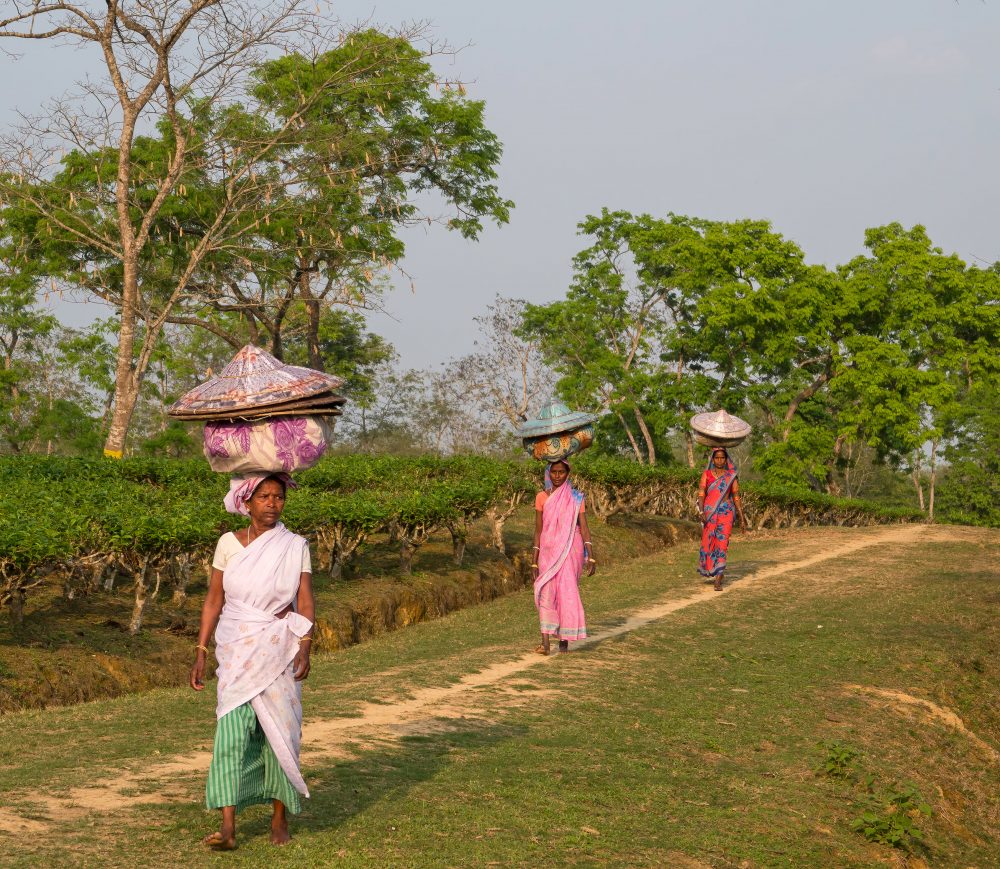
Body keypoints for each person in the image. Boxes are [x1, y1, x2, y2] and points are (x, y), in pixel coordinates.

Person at [190, 473, 315, 850]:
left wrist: (305, 643)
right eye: (264, 497)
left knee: (281, 733)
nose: (272, 503)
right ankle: (228, 827)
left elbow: (305, 598)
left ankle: (280, 817)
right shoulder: (228, 544)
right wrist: (200, 650)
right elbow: (214, 600)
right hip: (236, 648)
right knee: (231, 735)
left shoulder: (294, 546)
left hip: (279, 646)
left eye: (278, 497)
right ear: (247, 503)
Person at [531, 459, 596, 655]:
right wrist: (534, 561)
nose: (558, 476)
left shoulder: (576, 497)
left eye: (561, 472)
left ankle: (564, 641)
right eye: (554, 472)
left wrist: (590, 556)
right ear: (548, 473)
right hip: (548, 551)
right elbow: (538, 530)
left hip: (570, 549)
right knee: (546, 591)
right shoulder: (541, 497)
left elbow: (583, 527)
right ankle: (545, 642)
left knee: (566, 592)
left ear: (568, 473)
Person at [697, 448, 746, 591]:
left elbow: (736, 497)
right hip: (710, 513)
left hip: (726, 513)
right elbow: (701, 494)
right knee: (709, 542)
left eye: (722, 458)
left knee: (722, 543)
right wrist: (701, 511)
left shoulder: (731, 476)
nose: (719, 460)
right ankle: (715, 569)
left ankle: (718, 576)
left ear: (726, 459)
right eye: (717, 458)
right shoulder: (706, 475)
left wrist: (742, 518)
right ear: (713, 459)